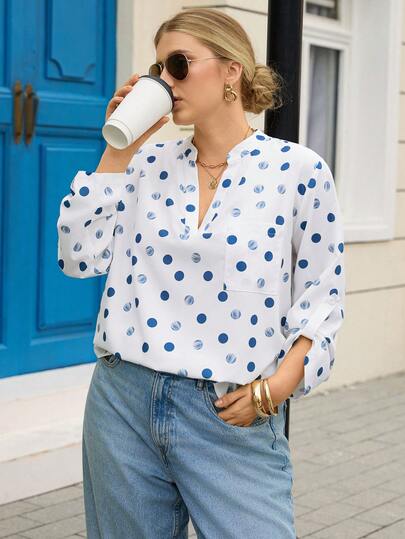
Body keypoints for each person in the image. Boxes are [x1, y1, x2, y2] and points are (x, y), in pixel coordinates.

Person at [56, 7, 345, 539]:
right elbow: (79, 256)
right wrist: (119, 149)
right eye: (158, 70)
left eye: (179, 64)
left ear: (232, 69)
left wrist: (276, 389)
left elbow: (322, 299)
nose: (165, 82)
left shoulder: (298, 171)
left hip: (231, 411)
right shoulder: (145, 165)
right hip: (123, 402)